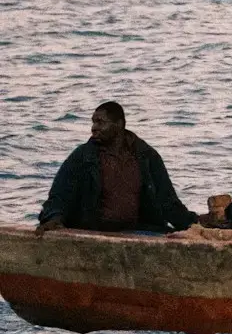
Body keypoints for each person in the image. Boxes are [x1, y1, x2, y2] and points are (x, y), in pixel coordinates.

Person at [36, 101, 199, 235]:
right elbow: (59, 195)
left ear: (119, 125)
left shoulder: (146, 156)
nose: (94, 128)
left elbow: (167, 201)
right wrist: (54, 218)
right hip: (94, 232)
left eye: (100, 122)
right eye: (93, 122)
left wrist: (194, 224)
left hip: (141, 230)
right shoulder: (83, 157)